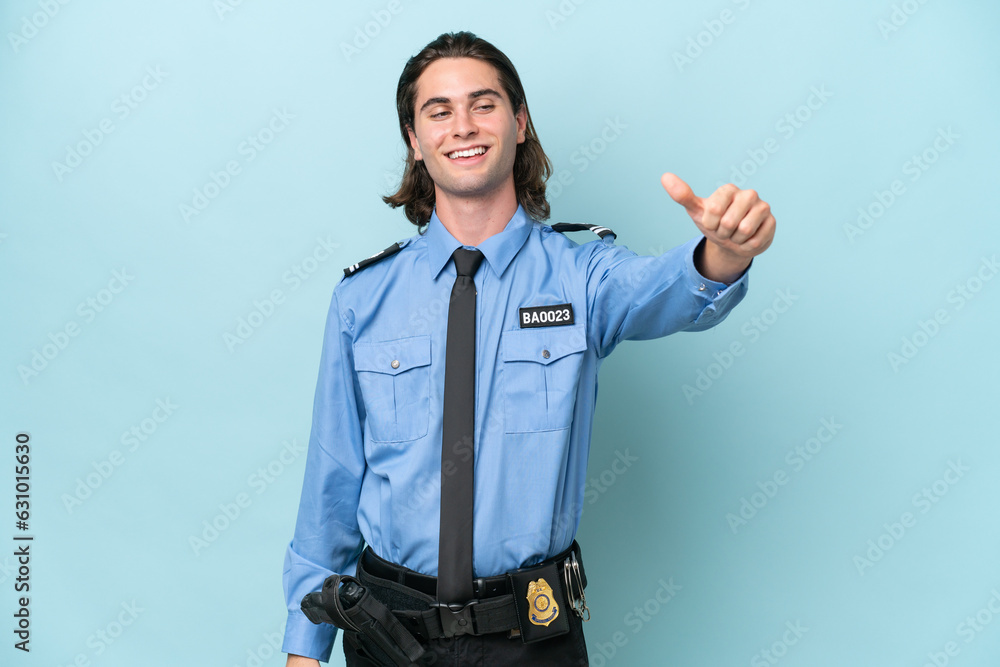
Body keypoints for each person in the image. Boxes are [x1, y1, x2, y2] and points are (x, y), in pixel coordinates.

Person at [282, 30, 775, 666]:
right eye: (439, 111)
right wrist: (304, 648)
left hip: (530, 637)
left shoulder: (582, 277)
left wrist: (724, 253)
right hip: (387, 635)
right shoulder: (362, 298)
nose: (463, 126)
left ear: (519, 123)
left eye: (483, 104)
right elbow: (331, 482)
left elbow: (663, 289)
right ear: (415, 139)